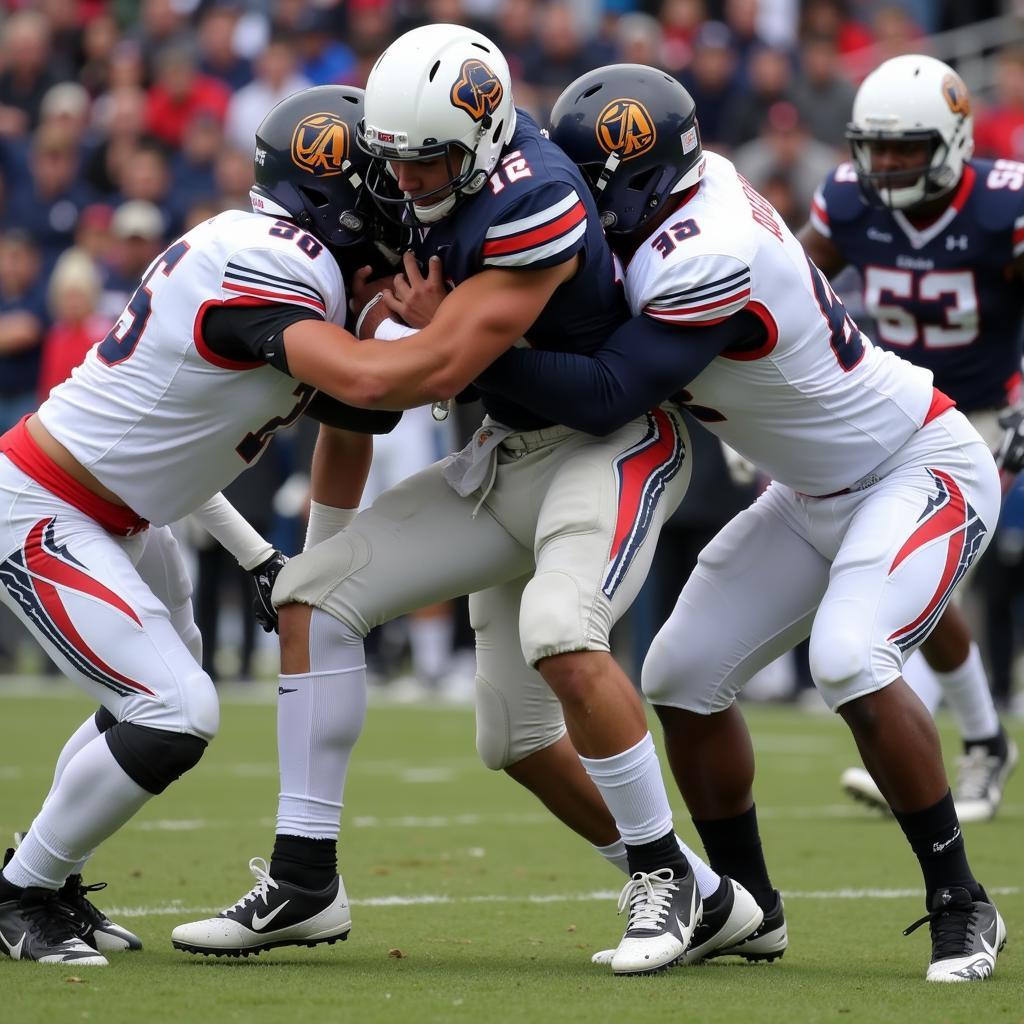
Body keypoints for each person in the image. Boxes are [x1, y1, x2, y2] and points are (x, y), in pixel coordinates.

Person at [172, 25, 761, 978]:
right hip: (502, 455)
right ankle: (304, 880)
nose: (407, 183)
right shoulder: (409, 184)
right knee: (327, 614)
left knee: (564, 633)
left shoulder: (535, 193)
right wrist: (325, 550)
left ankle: (669, 881)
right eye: (396, 162)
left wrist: (415, 330)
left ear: (483, 136)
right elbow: (361, 407)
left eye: (430, 160)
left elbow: (436, 366)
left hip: (603, 450)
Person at [472, 63, 1006, 983]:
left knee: (848, 659)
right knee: (680, 677)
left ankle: (963, 900)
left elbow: (607, 394)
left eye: (588, 190)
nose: (571, 210)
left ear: (635, 185)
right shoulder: (693, 185)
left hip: (917, 465)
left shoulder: (704, 250)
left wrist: (464, 353)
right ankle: (748, 908)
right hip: (809, 490)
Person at [0, 84, 402, 966]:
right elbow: (371, 385)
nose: (398, 199)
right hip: (44, 506)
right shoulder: (272, 259)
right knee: (174, 711)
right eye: (383, 180)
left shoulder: (281, 258)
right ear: (333, 188)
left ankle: (42, 879)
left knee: (146, 702)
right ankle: (19, 891)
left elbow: (172, 449)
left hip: (121, 512)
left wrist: (262, 556)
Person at [798, 54, 1019, 822]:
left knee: (925, 573)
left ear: (953, 141)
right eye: (876, 147)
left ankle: (953, 738)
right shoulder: (849, 202)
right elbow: (792, 286)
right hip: (887, 413)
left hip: (987, 410)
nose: (885, 165)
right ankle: (986, 741)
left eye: (906, 149)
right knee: (922, 583)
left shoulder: (1001, 205)